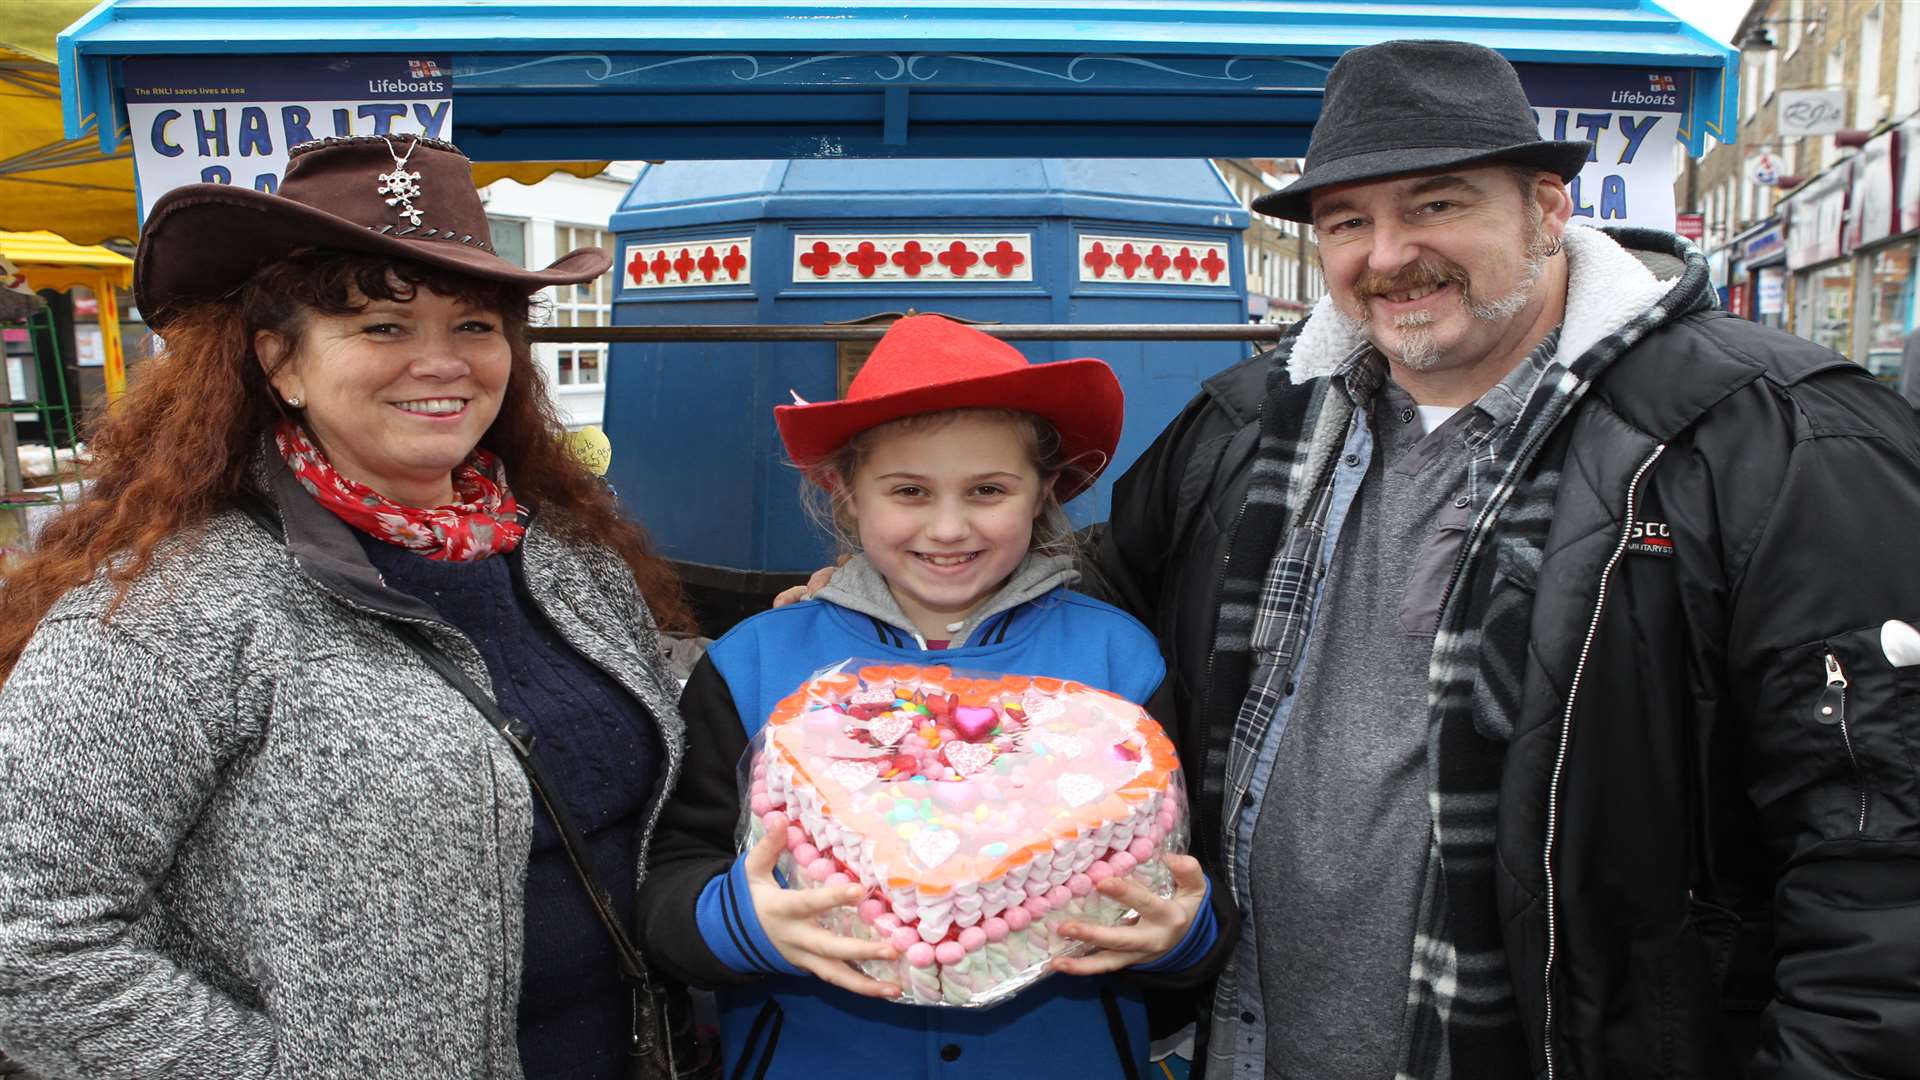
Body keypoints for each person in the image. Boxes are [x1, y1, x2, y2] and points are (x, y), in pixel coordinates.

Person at [1092, 39, 1920, 1080]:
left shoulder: (1771, 433)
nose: (1387, 255)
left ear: (1546, 208)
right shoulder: (1249, 426)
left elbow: (1879, 850)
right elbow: (1084, 624)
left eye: (1436, 206)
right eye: (1349, 222)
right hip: (1254, 1047)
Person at [0, 136, 695, 1079]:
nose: (441, 363)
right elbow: (27, 934)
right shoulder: (169, 613)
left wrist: (832, 627)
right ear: (280, 361)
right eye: (381, 327)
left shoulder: (570, 560)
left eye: (477, 325)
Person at [639, 314, 1236, 1078]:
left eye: (987, 490)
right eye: (909, 491)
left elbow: (1190, 874)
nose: (948, 527)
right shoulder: (760, 661)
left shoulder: (1117, 659)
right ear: (845, 491)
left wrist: (1181, 936)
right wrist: (741, 925)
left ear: (1043, 492)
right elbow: (670, 874)